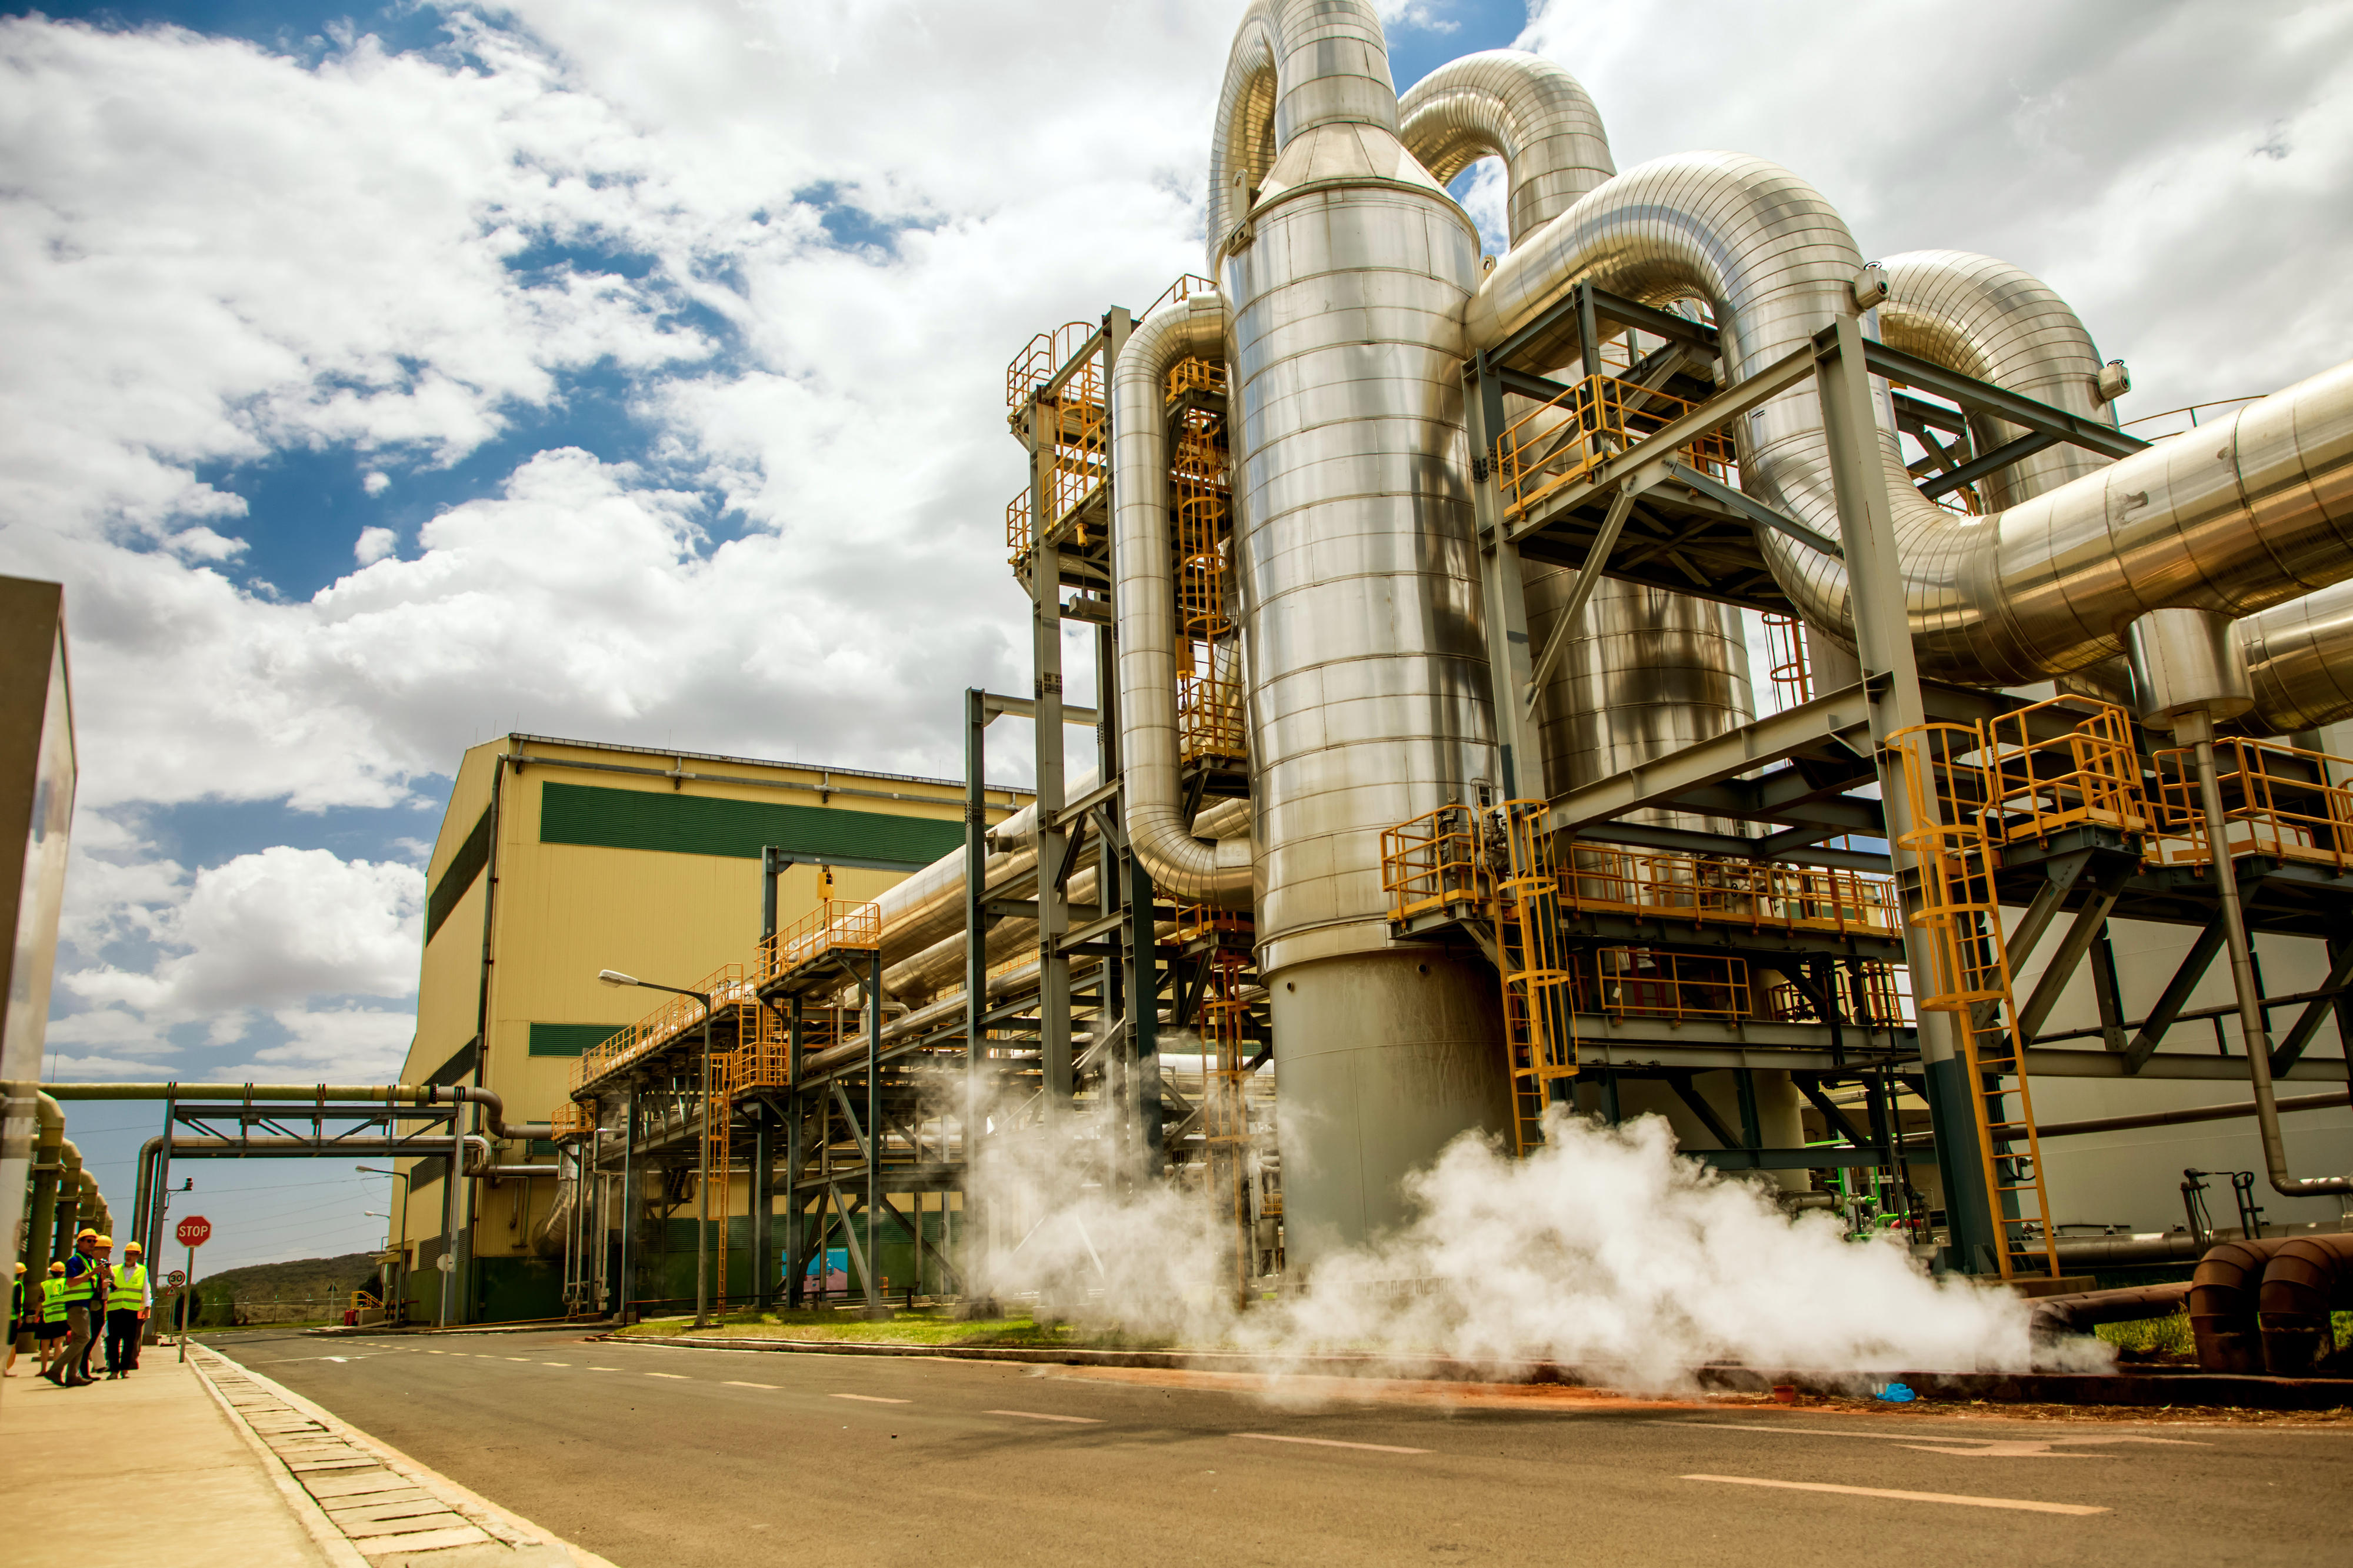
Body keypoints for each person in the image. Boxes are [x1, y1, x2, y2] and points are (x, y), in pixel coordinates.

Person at [46, 1229, 102, 1387]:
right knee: (84, 1338)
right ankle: (56, 1370)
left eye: (94, 1241)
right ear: (80, 1242)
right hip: (76, 1305)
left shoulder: (89, 1260)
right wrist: (92, 1274)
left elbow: (88, 1283)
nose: (92, 1244)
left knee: (81, 1339)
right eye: (88, 1240)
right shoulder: (74, 1261)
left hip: (84, 1304)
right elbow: (71, 1282)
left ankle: (73, 1376)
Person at [105, 1241, 149, 1378]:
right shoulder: (115, 1269)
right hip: (114, 1309)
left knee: (129, 1341)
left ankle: (125, 1369)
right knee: (113, 1341)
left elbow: (146, 1289)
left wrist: (147, 1307)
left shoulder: (142, 1270)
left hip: (131, 1310)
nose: (129, 1257)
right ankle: (114, 1370)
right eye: (127, 1254)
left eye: (132, 1254)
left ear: (137, 1256)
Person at [35, 1261, 68, 1379]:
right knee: (59, 1343)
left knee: (45, 1344)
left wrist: (35, 1316)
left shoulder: (45, 1284)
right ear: (63, 1272)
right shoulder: (66, 1283)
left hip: (47, 1317)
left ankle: (43, 1370)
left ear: (51, 1272)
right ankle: (56, 1369)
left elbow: (41, 1301)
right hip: (62, 1316)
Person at [6, 1262, 22, 1376]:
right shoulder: (17, 1285)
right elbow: (17, 1304)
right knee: (9, 1345)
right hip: (11, 1319)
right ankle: (4, 1368)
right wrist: (19, 1319)